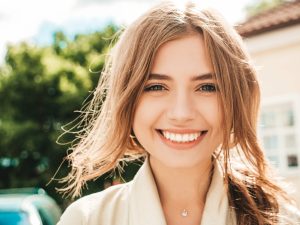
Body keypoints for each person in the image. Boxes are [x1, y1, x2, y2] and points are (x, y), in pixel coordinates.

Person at [57, 1, 300, 224]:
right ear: (127, 100)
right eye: (156, 87)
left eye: (207, 87)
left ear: (235, 100)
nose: (182, 113)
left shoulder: (281, 218)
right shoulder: (86, 219)